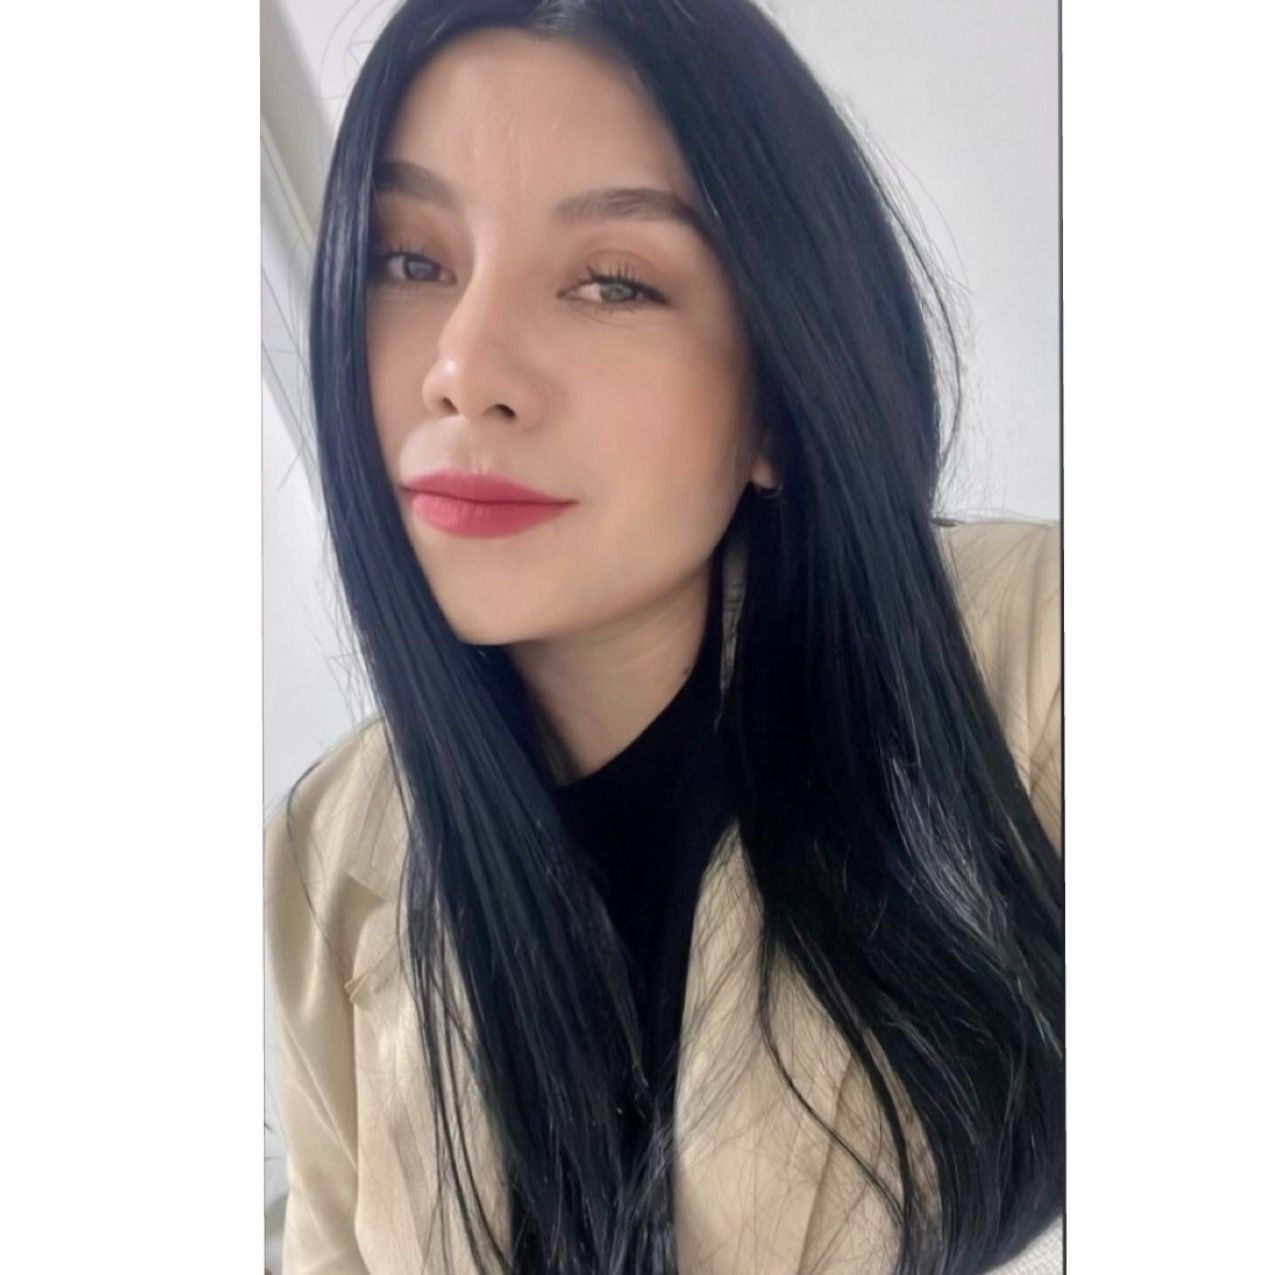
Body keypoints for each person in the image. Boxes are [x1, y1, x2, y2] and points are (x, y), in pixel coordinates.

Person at [264, 2, 1063, 1273]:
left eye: (613, 282)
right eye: (409, 261)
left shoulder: (1041, 669)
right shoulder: (322, 858)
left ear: (779, 397)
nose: (464, 367)